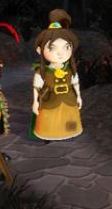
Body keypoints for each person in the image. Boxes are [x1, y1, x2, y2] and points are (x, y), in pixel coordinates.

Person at [31, 10, 83, 141]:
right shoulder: (42, 72)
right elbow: (37, 87)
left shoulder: (70, 70)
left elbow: (75, 82)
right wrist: (35, 102)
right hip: (49, 101)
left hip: (69, 100)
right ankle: (48, 136)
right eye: (53, 48)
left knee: (69, 121)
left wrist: (78, 96)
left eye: (66, 47)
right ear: (40, 50)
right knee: (50, 123)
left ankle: (69, 133)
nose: (61, 53)